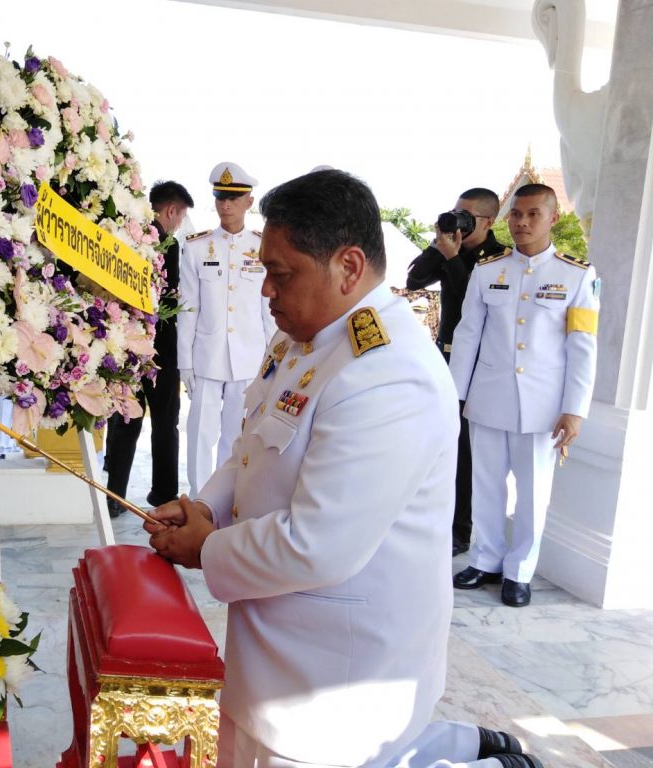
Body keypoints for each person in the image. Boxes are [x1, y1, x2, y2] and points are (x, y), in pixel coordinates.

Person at [146, 169, 541, 768]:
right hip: (276, 649)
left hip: (336, 680)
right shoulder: (303, 339)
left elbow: (318, 544)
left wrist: (208, 548)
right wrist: (207, 506)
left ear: (348, 267)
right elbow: (254, 446)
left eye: (281, 276)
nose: (266, 293)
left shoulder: (385, 371)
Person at [450, 183, 599, 608]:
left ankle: (519, 572)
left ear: (553, 218)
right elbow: (468, 336)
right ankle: (485, 558)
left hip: (543, 406)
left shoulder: (576, 275)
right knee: (486, 485)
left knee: (533, 493)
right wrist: (454, 397)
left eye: (534, 214)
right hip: (489, 397)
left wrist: (575, 409)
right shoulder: (487, 270)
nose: (522, 222)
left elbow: (582, 346)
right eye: (516, 214)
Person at [407, 188, 508, 556]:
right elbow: (415, 279)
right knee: (439, 442)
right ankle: (434, 516)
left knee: (466, 450)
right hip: (444, 358)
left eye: (467, 216)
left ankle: (461, 530)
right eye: (456, 212)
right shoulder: (449, 246)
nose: (459, 221)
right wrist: (441, 248)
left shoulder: (499, 259)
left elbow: (478, 301)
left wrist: (453, 259)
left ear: (488, 221)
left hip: (480, 365)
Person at [177, 162, 275, 495]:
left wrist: (273, 360)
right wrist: (184, 362)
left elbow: (268, 310)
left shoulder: (263, 247)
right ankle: (199, 496)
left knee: (236, 433)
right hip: (206, 355)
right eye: (220, 197)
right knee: (200, 431)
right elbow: (188, 308)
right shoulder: (195, 246)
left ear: (249, 201)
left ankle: (224, 496)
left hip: (249, 356)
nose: (225, 205)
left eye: (234, 198)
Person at [104, 181, 194, 517]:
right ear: (171, 211)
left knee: (125, 420)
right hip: (162, 352)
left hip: (127, 346)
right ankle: (164, 496)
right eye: (181, 217)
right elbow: (170, 296)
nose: (179, 225)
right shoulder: (166, 243)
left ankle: (115, 495)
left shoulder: (127, 237)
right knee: (165, 424)